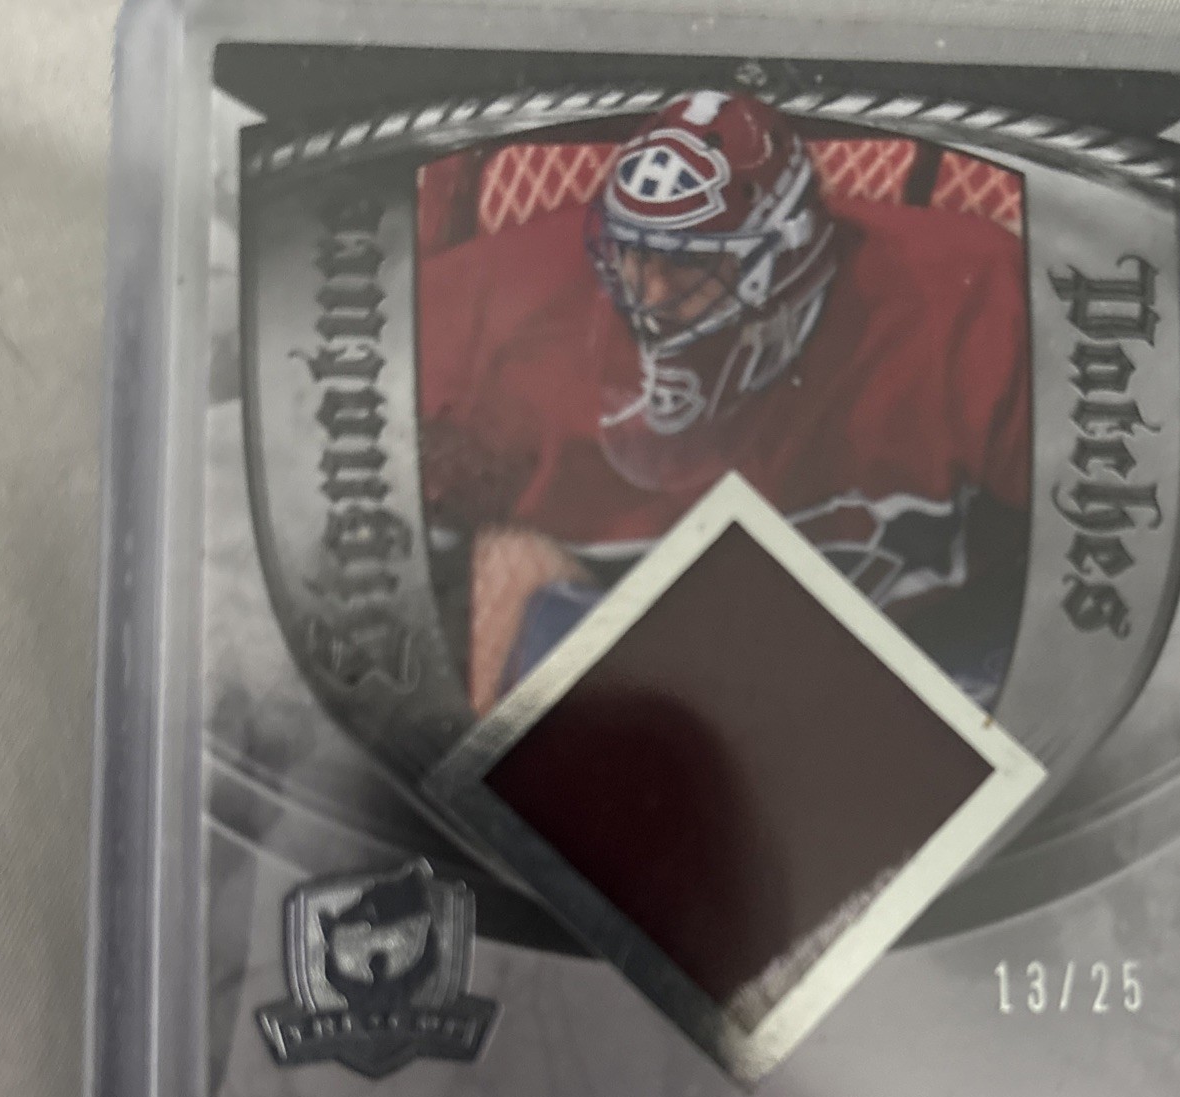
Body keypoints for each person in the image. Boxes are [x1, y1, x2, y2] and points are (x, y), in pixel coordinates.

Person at [418, 89, 1031, 711]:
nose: (649, 297)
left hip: (914, 663)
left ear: (785, 264)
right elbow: (392, 558)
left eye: (688, 263)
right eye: (634, 254)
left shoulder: (966, 303)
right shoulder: (494, 311)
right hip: (643, 690)